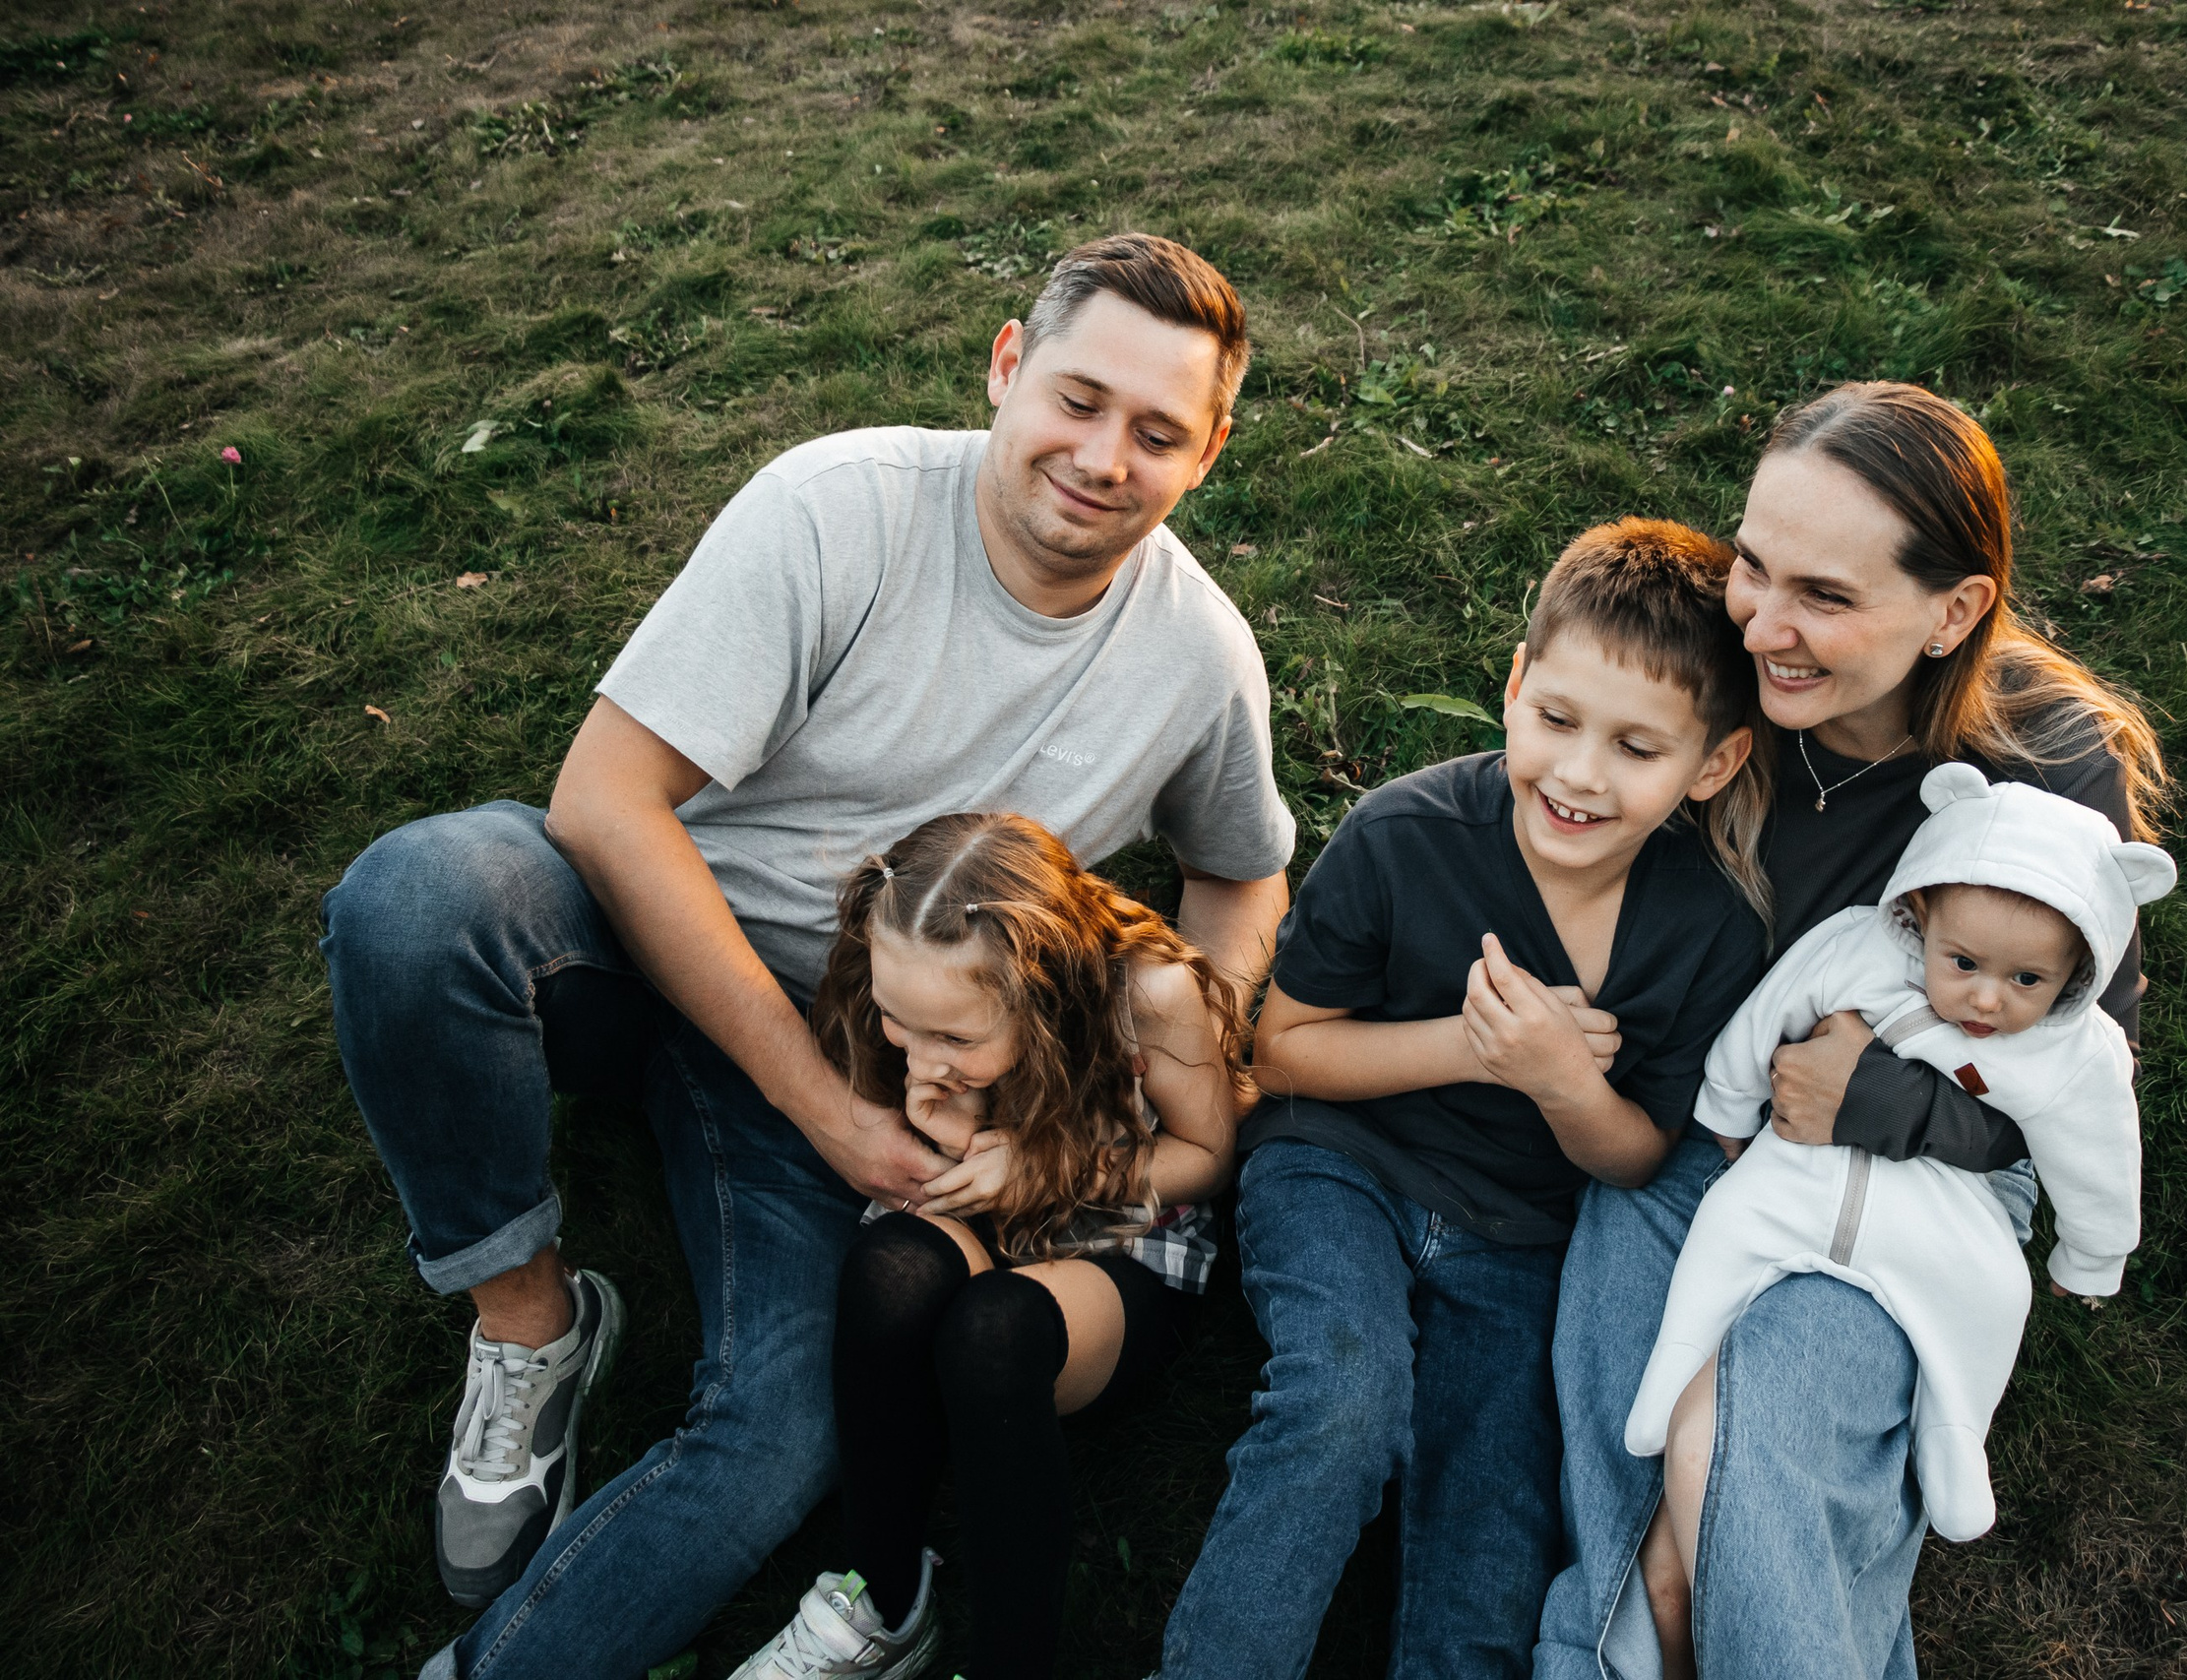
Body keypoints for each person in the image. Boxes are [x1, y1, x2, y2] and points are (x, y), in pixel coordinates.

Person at [316, 233, 1295, 1680]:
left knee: (786, 1426)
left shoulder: (1198, 653)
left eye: (1158, 432)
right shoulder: (838, 508)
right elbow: (602, 798)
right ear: (1007, 365)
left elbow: (1242, 864)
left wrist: (1167, 1052)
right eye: (1078, 400)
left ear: (1207, 450)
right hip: (647, 937)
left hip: (888, 1036)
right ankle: (533, 1320)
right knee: (417, 897)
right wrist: (823, 1113)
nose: (1104, 457)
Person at [1538, 381, 2171, 1680]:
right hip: (1705, 1140)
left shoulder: (2042, 768)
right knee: (1637, 1473)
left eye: (1824, 596)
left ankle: (1678, 1618)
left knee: (1748, 1443)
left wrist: (1878, 1100)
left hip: (1918, 1189)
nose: (1767, 624)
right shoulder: (1721, 684)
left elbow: (2083, 1069)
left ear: (1955, 610)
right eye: (1756, 567)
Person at [1157, 520, 1771, 1680]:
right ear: (1513, 687)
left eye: (1637, 748)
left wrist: (1561, 1081)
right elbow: (1281, 1054)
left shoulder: (1706, 925)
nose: (1580, 774)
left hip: (1523, 1237)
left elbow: (1636, 1157)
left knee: (1492, 1528)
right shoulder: (1408, 835)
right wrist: (1481, 1049)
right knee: (1341, 1406)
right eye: (1556, 721)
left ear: (1714, 765)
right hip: (1340, 1163)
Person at [1624, 765, 2176, 1613]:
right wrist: (1728, 1107)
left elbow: (2102, 1158)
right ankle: (1664, 1384)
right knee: (1721, 1233)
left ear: (2073, 972)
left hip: (1944, 1210)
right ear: (1920, 914)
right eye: (1964, 963)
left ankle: (1956, 1441)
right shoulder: (1861, 948)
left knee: (1988, 1300)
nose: (1986, 999)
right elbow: (1768, 1011)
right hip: (1795, 1174)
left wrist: (2093, 1254)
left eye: (2028, 980)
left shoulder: (2073, 1051)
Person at [727, 812, 1252, 1680]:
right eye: (902, 1022)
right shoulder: (906, 976)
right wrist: (954, 1123)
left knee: (991, 1331)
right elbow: (931, 1145)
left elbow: (1208, 1153)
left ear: (1041, 996)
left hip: (1118, 1246)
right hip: (986, 1217)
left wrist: (1051, 1167)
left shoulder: (1148, 996)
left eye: (954, 1038)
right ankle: (883, 1602)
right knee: (890, 1273)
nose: (918, 1052)